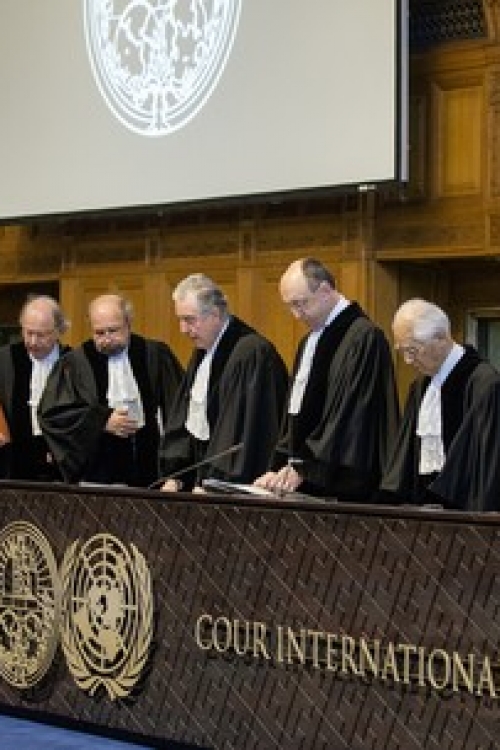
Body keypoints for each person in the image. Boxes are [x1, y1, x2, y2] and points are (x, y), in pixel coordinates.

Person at [255, 258, 399, 501]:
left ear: (324, 291)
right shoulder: (309, 342)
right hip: (307, 477)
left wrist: (308, 467)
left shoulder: (363, 338)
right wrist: (280, 467)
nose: (296, 315)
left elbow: (351, 415)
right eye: (290, 306)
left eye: (300, 304)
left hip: (343, 483)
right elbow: (296, 413)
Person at [158, 274, 289, 492]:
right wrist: (178, 476)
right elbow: (190, 423)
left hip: (237, 485)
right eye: (180, 320)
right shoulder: (204, 351)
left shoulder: (251, 353)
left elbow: (242, 433)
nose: (183, 329)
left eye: (189, 320)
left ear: (215, 314)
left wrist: (215, 482)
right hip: (204, 483)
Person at [38, 293, 183, 487]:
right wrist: (100, 421)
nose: (107, 339)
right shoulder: (75, 363)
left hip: (149, 468)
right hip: (97, 473)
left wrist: (174, 469)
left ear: (129, 323)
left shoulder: (154, 354)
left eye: (113, 331)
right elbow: (53, 414)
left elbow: (179, 409)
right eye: (99, 333)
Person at [379, 298, 500, 511]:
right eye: (402, 351)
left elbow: (488, 468)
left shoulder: (485, 385)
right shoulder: (420, 386)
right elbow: (406, 462)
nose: (407, 360)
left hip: (465, 513)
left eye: (412, 350)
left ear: (440, 338)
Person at [0, 295, 70, 481]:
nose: (32, 341)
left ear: (58, 331)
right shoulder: (6, 359)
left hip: (60, 465)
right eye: (28, 332)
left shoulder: (73, 362)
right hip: (13, 464)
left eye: (41, 335)